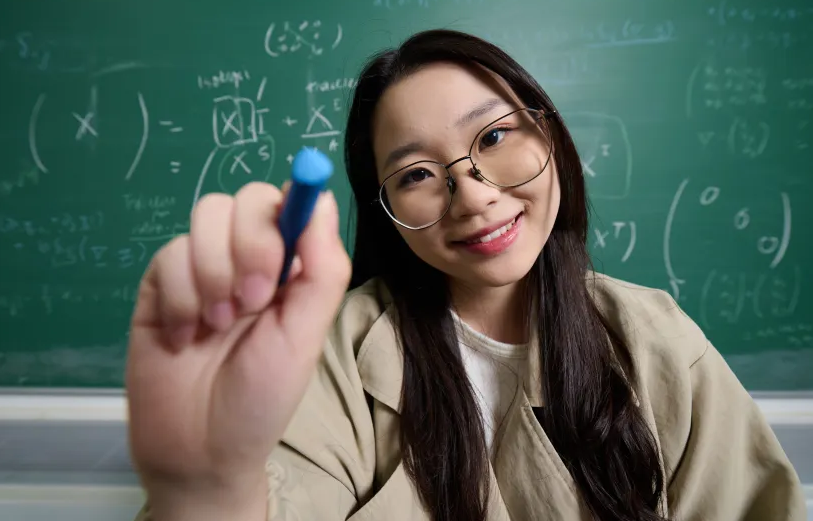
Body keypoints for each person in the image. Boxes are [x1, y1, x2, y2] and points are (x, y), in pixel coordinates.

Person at [126, 29, 806, 521]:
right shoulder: (329, 349)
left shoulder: (656, 340)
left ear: (551, 134)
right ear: (386, 210)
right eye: (417, 174)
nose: (475, 194)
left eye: (494, 137)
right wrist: (208, 493)